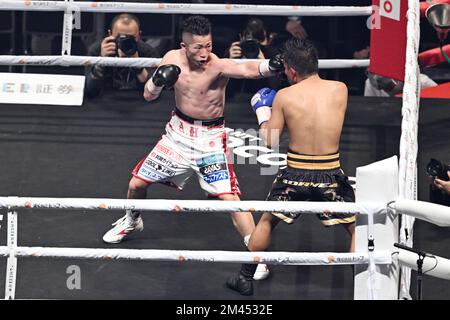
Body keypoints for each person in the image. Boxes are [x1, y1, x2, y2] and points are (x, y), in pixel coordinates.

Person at [102, 15, 284, 280]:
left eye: (208, 45)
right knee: (136, 185)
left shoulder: (217, 65)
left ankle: (255, 255)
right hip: (177, 134)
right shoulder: (171, 59)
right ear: (183, 45)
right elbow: (148, 95)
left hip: (210, 138)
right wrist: (157, 81)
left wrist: (270, 65)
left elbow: (247, 69)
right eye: (197, 47)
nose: (204, 52)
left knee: (229, 199)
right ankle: (132, 220)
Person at [226, 38, 356, 296]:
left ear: (292, 70)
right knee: (356, 227)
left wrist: (263, 112)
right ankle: (364, 279)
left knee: (266, 222)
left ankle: (244, 277)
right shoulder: (340, 89)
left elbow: (271, 140)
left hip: (295, 174)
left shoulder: (285, 97)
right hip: (330, 173)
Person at [84, 13, 158, 98]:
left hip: (139, 99)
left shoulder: (147, 52)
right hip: (106, 100)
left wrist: (138, 65)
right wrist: (101, 62)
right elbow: (91, 91)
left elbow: (153, 92)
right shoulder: (97, 50)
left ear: (139, 36)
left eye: (131, 38)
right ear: (110, 34)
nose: (125, 42)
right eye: (121, 37)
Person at [223, 18, 287, 95]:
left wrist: (265, 66)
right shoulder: (234, 52)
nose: (253, 45)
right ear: (241, 37)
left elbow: (277, 89)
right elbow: (225, 92)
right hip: (237, 100)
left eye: (259, 39)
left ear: (269, 38)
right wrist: (230, 64)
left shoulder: (274, 55)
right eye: (249, 40)